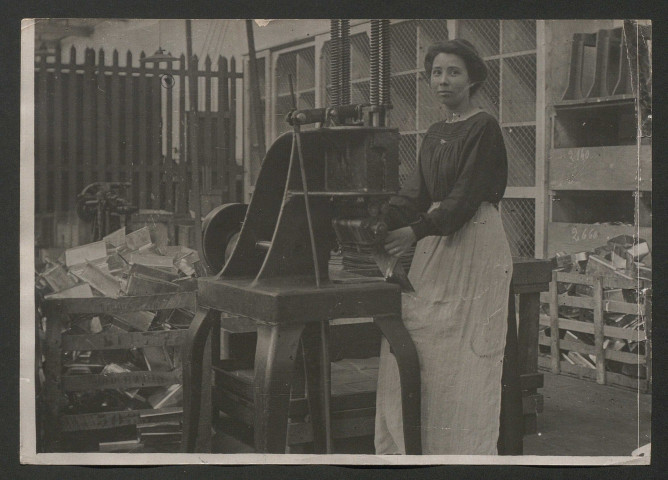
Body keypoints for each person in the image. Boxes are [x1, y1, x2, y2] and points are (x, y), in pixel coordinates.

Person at [375, 39, 513, 455]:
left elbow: (465, 198)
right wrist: (382, 218)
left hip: (473, 241)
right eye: (436, 72)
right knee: (418, 335)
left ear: (473, 79)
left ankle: (460, 455)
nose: (443, 80)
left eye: (453, 72)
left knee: (463, 353)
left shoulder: (484, 126)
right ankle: (414, 447)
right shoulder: (435, 133)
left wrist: (415, 232)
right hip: (438, 241)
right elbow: (416, 193)